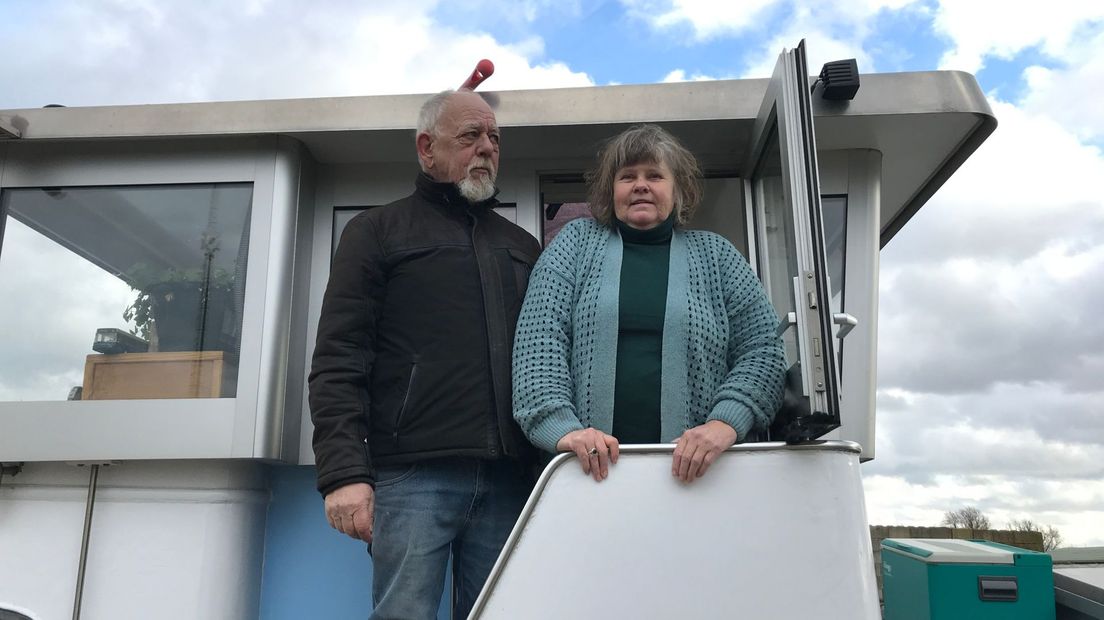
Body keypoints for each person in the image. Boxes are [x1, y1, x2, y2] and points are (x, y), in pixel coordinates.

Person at [308, 89, 541, 620]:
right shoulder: (376, 232)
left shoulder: (523, 246)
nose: (486, 148)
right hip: (412, 477)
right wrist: (343, 473)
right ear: (426, 147)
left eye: (494, 138)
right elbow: (338, 359)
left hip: (510, 478)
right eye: (470, 136)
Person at [512, 124, 786, 483]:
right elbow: (539, 341)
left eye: (654, 175)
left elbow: (763, 350)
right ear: (611, 191)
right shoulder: (574, 244)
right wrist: (564, 431)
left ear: (678, 190)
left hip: (698, 479)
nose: (641, 184)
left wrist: (724, 422)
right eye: (627, 177)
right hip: (587, 477)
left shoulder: (717, 256)